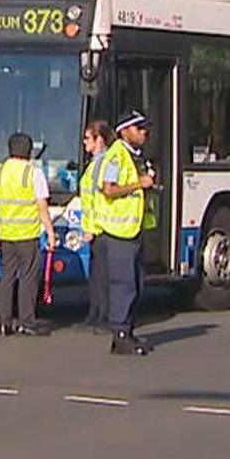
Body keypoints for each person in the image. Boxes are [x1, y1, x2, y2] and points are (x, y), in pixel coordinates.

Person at [0, 132, 57, 337]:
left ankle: (4, 322)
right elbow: (42, 206)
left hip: (6, 235)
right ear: (29, 151)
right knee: (28, 279)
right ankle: (26, 321)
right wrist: (50, 232)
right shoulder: (33, 173)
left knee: (6, 278)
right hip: (28, 235)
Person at [100, 110, 156, 356]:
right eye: (139, 128)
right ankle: (120, 335)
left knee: (136, 284)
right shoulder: (116, 156)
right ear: (124, 131)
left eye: (145, 128)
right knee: (124, 285)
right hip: (119, 232)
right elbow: (108, 189)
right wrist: (138, 184)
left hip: (134, 229)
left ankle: (128, 331)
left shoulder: (136, 156)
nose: (144, 133)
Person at [79, 120, 114, 332]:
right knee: (96, 274)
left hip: (101, 228)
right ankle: (96, 312)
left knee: (102, 275)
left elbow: (96, 198)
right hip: (96, 227)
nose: (84, 142)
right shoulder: (95, 163)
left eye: (87, 138)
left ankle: (104, 315)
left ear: (99, 139)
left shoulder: (103, 163)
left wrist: (91, 228)